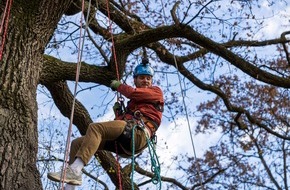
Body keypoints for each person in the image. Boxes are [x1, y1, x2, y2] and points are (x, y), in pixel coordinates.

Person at [47, 61, 164, 189]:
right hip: (124, 141)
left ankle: (74, 171)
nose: (146, 81)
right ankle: (70, 186)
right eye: (142, 78)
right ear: (135, 80)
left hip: (138, 135)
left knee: (96, 128)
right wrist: (119, 113)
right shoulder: (133, 105)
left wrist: (119, 86)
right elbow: (120, 125)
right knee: (77, 143)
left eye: (148, 78)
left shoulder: (156, 92)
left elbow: (133, 93)